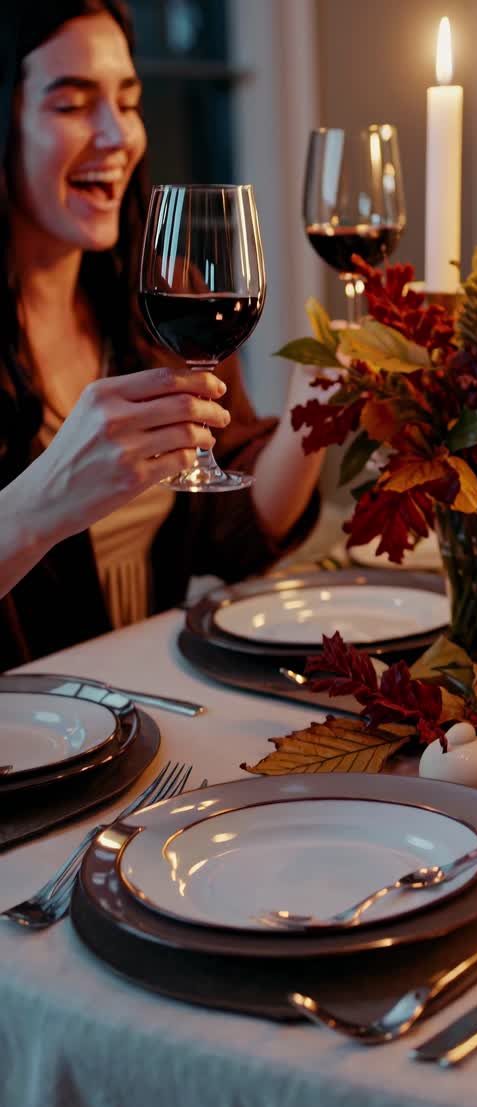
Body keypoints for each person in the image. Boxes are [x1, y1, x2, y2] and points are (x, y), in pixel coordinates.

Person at [0, 0, 324, 667]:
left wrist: (315, 413)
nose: (116, 135)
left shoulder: (158, 295)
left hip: (149, 718)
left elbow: (230, 537)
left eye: (128, 100)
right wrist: (35, 509)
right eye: (70, 104)